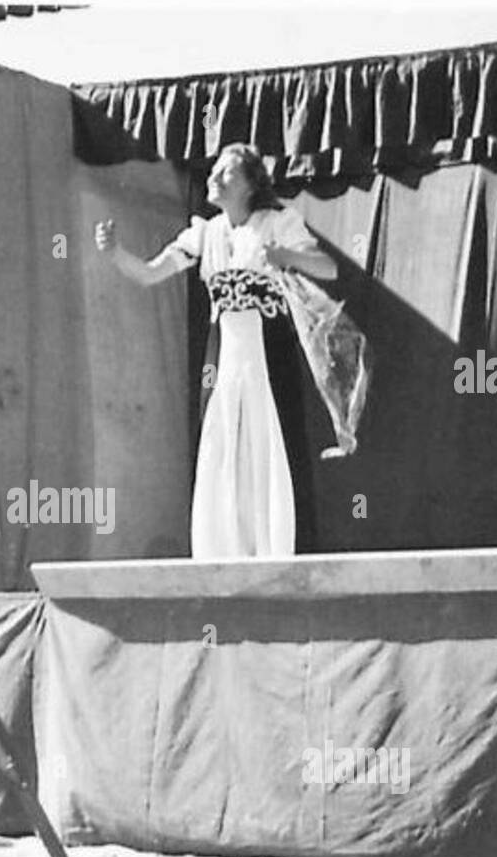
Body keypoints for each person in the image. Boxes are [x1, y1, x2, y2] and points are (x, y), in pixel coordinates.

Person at [95, 142, 337, 558]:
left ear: (249, 185)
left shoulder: (278, 223)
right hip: (224, 359)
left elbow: (328, 268)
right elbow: (151, 273)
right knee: (224, 445)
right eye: (214, 171)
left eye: (226, 173)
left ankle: (277, 548)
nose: (214, 178)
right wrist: (115, 252)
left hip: (268, 357)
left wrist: (285, 254)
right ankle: (227, 549)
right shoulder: (205, 233)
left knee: (270, 444)